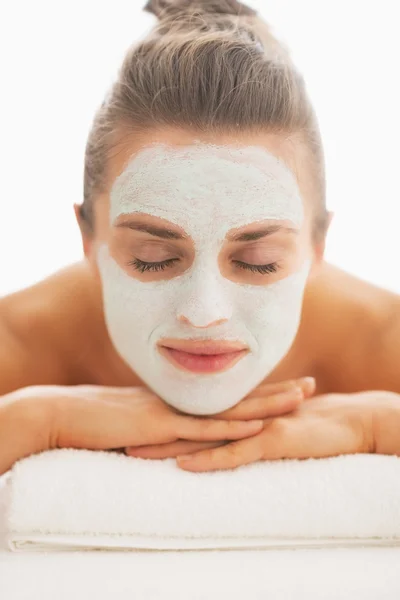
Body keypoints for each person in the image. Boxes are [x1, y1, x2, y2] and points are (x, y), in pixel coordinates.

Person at [1, 0, 399, 477]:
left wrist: (375, 425)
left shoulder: (382, 342)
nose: (206, 312)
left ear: (318, 248)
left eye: (258, 261)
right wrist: (33, 420)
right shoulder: (18, 345)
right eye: (153, 257)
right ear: (89, 238)